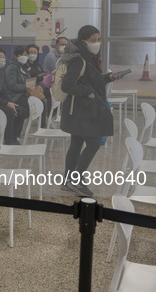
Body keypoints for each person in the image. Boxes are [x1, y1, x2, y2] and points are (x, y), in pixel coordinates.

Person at [60, 25, 119, 196]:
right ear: (83, 42)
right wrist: (88, 92)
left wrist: (108, 78)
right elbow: (68, 85)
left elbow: (91, 80)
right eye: (93, 40)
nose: (97, 43)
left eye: (99, 39)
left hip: (82, 111)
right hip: (81, 112)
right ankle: (76, 181)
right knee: (93, 143)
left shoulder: (90, 58)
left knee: (77, 143)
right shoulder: (79, 59)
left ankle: (68, 180)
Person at [4, 46, 31, 125]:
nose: (24, 57)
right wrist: (25, 87)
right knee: (29, 105)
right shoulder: (12, 68)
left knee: (40, 101)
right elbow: (11, 85)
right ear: (16, 56)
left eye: (26, 55)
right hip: (14, 96)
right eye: (22, 55)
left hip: (24, 93)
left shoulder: (26, 67)